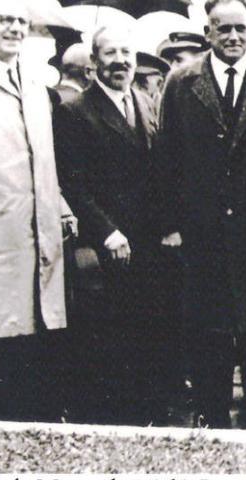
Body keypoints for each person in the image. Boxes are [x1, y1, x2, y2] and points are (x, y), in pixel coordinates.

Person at [154, 0, 246, 429]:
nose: (234, 37)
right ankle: (212, 418)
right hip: (204, 234)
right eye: (224, 29)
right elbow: (167, 158)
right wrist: (172, 226)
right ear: (208, 31)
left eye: (241, 28)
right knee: (208, 333)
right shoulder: (181, 83)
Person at [0, 0, 72, 422]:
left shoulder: (36, 84)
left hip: (36, 233)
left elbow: (44, 161)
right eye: (5, 20)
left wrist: (61, 206)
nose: (15, 28)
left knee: (34, 333)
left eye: (22, 21)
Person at [53, 26, 165, 426]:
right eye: (111, 54)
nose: (121, 60)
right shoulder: (75, 111)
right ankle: (117, 420)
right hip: (109, 245)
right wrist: (106, 231)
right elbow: (73, 182)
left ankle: (151, 419)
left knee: (151, 331)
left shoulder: (148, 101)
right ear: (93, 63)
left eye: (127, 52)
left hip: (151, 241)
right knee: (112, 338)